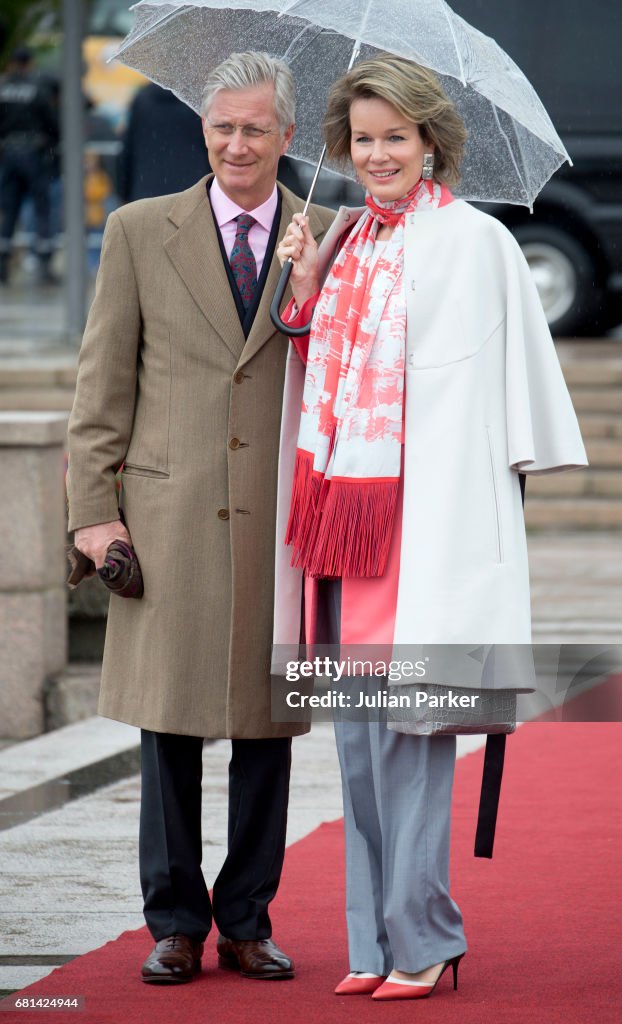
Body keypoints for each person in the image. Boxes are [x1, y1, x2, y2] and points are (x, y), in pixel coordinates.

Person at [275, 54, 588, 1001]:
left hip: (423, 521)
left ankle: (424, 937)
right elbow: (309, 361)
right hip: (340, 530)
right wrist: (303, 276)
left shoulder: (476, 241)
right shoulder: (346, 241)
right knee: (361, 740)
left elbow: (511, 381)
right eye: (361, 140)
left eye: (393, 139)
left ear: (428, 142)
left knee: (413, 739)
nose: (376, 155)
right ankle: (372, 941)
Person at [67, 51, 334, 985]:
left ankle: (248, 921)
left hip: (280, 525)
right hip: (168, 517)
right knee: (168, 726)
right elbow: (102, 387)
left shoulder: (330, 234)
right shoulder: (141, 230)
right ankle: (174, 921)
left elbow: (346, 382)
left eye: (255, 128)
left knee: (268, 729)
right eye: (221, 126)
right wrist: (92, 516)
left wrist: (310, 296)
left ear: (286, 136)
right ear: (204, 129)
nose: (235, 143)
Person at [0, 45, 59, 284]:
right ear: (30, 63)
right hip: (34, 154)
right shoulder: (37, 89)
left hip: (8, 154)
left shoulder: (2, 88)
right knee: (42, 209)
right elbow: (52, 124)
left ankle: (2, 265)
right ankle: (44, 266)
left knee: (9, 210)